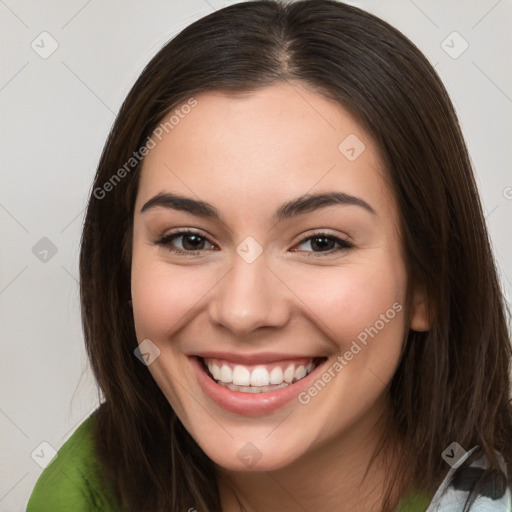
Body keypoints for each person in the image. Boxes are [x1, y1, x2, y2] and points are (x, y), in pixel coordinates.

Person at [26, 1, 512, 511]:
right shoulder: (76, 496)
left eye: (321, 242)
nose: (243, 311)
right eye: (190, 240)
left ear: (428, 281)